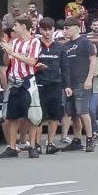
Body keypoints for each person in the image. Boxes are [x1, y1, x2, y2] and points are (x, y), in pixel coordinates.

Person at [0, 17, 43, 158]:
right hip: (14, 81)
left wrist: (13, 53)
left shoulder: (34, 42)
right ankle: (12, 147)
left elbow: (32, 61)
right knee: (12, 116)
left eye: (16, 25)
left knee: (32, 116)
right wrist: (7, 51)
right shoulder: (14, 42)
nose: (13, 28)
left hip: (28, 82)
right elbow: (6, 62)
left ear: (24, 26)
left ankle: (32, 146)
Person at [58, 20, 96, 151]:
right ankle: (76, 140)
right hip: (70, 84)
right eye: (64, 28)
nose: (65, 31)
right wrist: (66, 84)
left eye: (67, 28)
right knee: (73, 113)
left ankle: (90, 139)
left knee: (83, 111)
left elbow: (93, 60)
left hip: (82, 81)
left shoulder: (85, 42)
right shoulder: (65, 46)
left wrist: (89, 79)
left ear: (76, 28)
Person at [35, 18, 68, 152]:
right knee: (38, 116)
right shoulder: (36, 45)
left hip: (55, 85)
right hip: (39, 84)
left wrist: (67, 86)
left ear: (54, 29)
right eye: (44, 30)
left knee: (54, 115)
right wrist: (37, 67)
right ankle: (37, 144)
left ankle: (50, 143)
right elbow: (29, 63)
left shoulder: (60, 47)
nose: (47, 32)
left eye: (50, 29)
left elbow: (65, 68)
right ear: (40, 30)